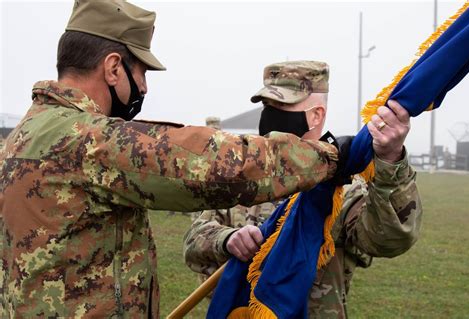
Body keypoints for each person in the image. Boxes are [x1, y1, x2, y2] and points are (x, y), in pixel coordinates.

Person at [0, 2, 349, 317]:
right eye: (142, 73)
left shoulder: (20, 139)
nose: (145, 87)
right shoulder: (93, 141)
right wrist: (329, 156)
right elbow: (220, 167)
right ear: (113, 68)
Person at [183, 61, 422, 318]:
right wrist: (227, 240)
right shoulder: (243, 175)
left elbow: (389, 240)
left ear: (316, 115)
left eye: (283, 106)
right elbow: (194, 240)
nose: (271, 116)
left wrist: (390, 162)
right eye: (267, 106)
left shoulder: (343, 190)